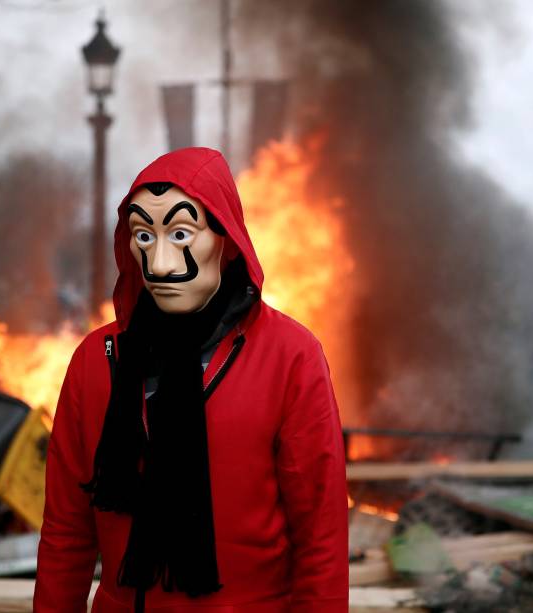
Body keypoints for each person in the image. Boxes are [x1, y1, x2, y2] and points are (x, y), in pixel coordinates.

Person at [34, 147, 348, 612]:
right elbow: (66, 532)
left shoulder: (291, 357)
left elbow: (320, 534)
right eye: (144, 235)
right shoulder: (95, 362)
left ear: (226, 237)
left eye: (181, 233)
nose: (160, 263)